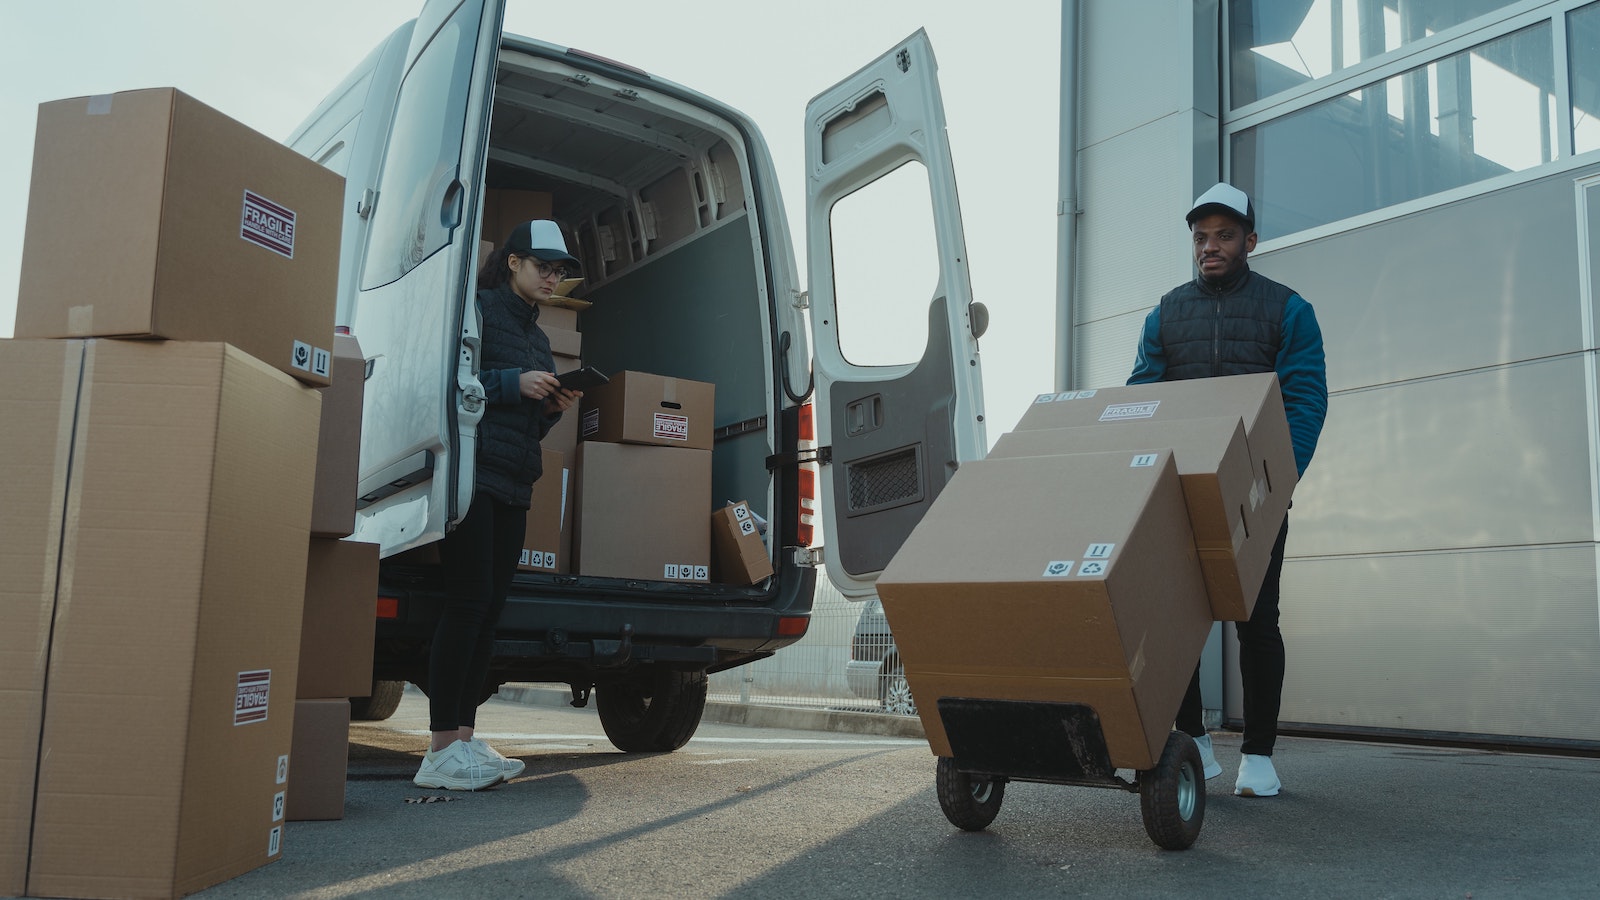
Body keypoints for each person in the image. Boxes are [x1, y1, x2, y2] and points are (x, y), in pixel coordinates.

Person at [1127, 183, 1328, 798]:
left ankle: (1260, 757)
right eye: (1201, 237)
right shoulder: (1165, 313)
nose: (1209, 247)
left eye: (1223, 235)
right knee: (1177, 621)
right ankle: (1196, 742)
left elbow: (1305, 399)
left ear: (1250, 241)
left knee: (1255, 620)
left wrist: (1278, 482)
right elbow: (1142, 396)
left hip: (1256, 497)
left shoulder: (1287, 310)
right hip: (1178, 493)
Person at [414, 219, 584, 791]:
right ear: (513, 261)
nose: (552, 278)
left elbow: (527, 428)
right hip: (471, 476)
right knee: (465, 605)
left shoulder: (539, 338)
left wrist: (554, 403)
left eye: (559, 271)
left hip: (514, 481)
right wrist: (514, 384)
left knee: (489, 611)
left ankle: (463, 740)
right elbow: (445, 382)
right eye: (544, 266)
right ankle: (438, 750)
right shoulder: (479, 310)